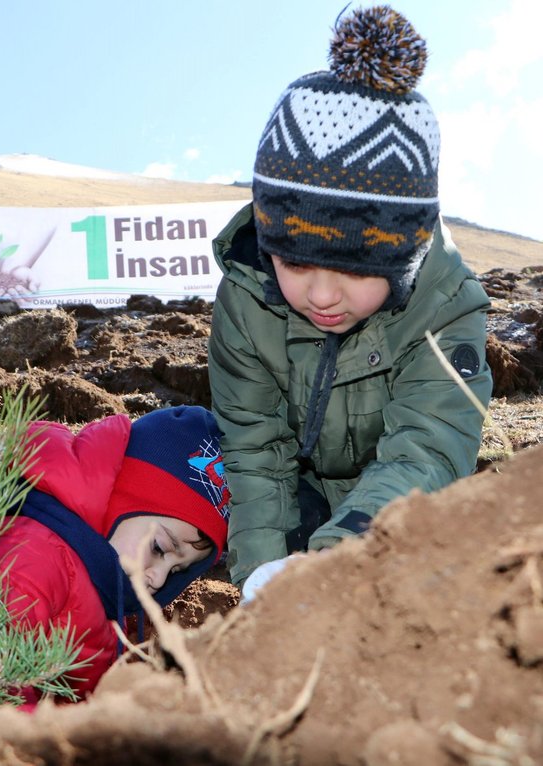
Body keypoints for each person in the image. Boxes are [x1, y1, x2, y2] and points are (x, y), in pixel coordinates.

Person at [207, 6, 493, 597]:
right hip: (301, 495)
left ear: (402, 255)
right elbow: (256, 449)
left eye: (353, 271)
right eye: (293, 262)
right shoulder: (245, 298)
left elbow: (427, 449)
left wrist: (335, 567)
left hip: (393, 504)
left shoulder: (447, 307)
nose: (320, 295)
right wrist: (261, 572)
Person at [0, 405, 230, 704]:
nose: (159, 578)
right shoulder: (33, 557)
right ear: (117, 502)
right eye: (160, 549)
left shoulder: (103, 579)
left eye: (178, 570)